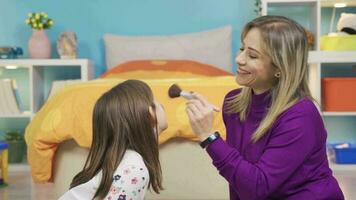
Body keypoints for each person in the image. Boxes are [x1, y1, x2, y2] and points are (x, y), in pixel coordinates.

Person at [185, 16, 344, 200]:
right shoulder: (234, 103)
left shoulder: (300, 116)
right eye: (242, 49)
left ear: (280, 67)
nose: (239, 59)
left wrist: (209, 136)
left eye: (252, 55)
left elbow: (257, 187)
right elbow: (239, 181)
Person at [59, 79, 167, 200]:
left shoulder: (125, 161)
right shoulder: (134, 168)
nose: (160, 104)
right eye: (154, 100)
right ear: (149, 113)